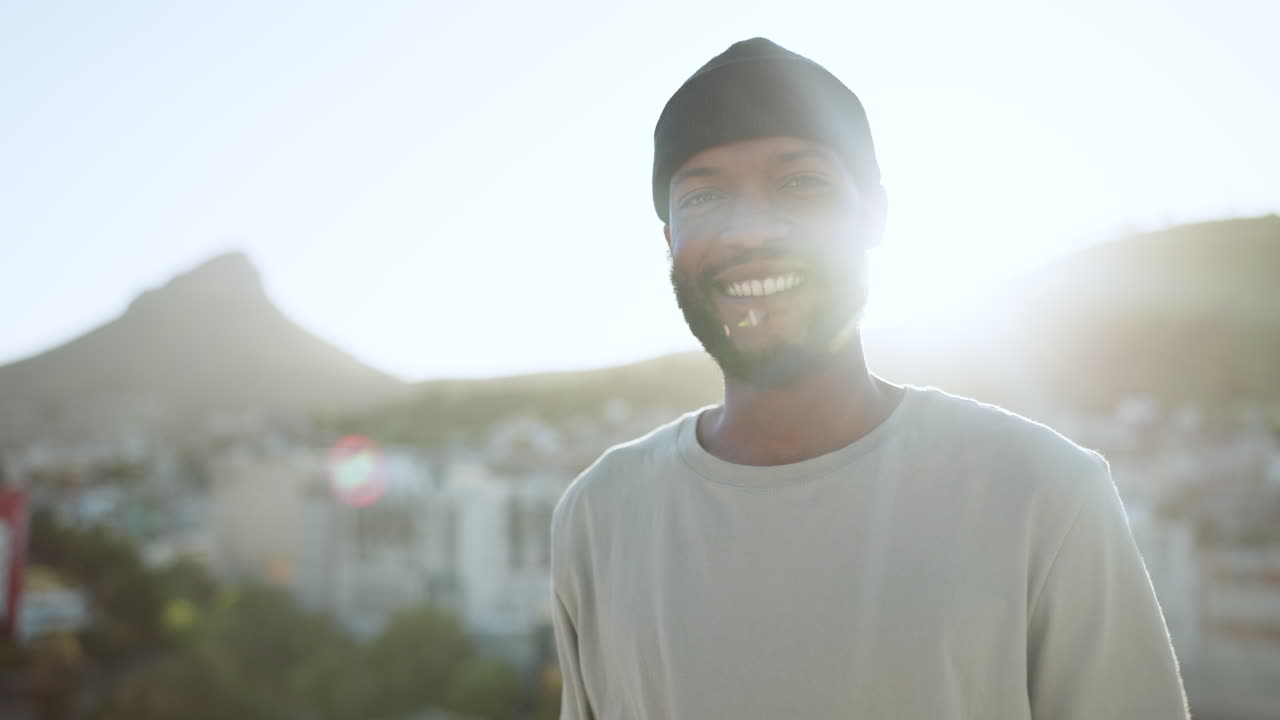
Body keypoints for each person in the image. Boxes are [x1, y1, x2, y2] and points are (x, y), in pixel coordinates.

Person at [549, 37, 1188, 719]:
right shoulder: (600, 517)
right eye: (703, 196)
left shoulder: (1043, 494)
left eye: (801, 183)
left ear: (874, 213)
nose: (750, 230)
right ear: (669, 240)